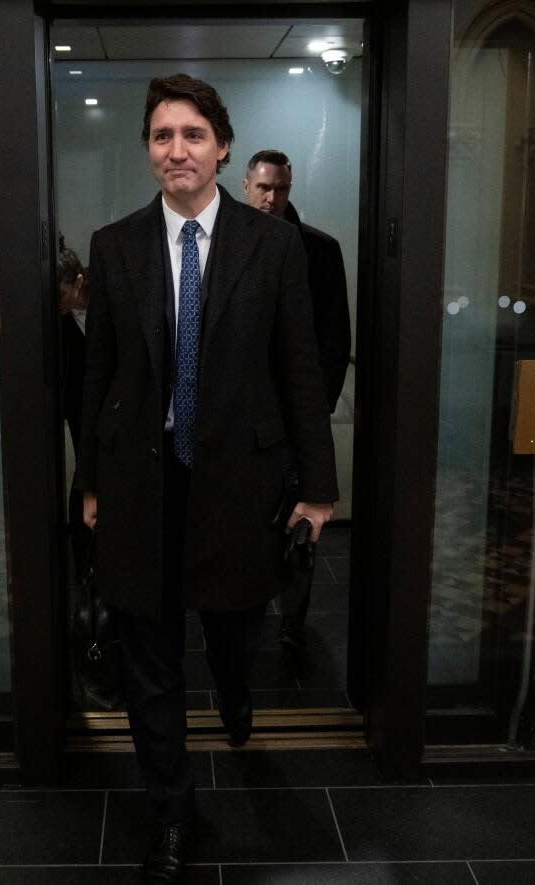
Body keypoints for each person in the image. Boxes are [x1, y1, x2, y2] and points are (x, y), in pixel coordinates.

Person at [75, 75, 338, 884]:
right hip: (140, 482)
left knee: (232, 631)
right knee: (150, 660)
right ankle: (173, 812)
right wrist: (90, 481)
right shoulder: (115, 244)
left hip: (239, 481)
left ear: (221, 146)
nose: (176, 149)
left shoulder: (274, 245)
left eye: (192, 134)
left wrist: (319, 487)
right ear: (148, 150)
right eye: (162, 135)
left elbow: (300, 366)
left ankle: (236, 699)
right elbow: (101, 374)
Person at [242, 150, 352, 668]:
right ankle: (251, 611)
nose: (270, 197)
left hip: (295, 414)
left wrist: (314, 413)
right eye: (263, 187)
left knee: (303, 521)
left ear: (289, 187)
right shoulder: (226, 242)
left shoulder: (319, 251)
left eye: (279, 188)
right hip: (244, 417)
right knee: (249, 520)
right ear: (247, 185)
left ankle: (291, 625)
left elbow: (335, 339)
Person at [57, 236, 91, 578]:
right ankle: (84, 565)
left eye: (62, 294)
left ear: (78, 281)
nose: (58, 302)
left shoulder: (107, 298)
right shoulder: (61, 319)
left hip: (112, 404)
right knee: (84, 474)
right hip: (79, 404)